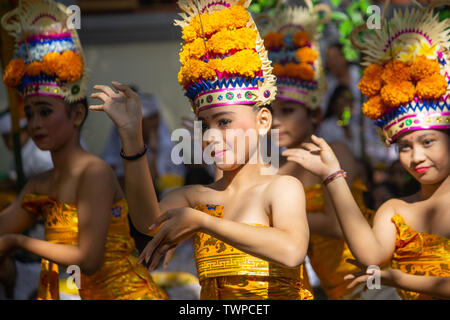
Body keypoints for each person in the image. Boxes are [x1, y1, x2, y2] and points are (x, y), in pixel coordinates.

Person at [90, 0, 312, 300]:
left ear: (262, 121)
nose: (211, 136)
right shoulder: (196, 197)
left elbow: (291, 250)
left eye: (224, 121)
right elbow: (147, 223)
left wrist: (204, 222)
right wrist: (132, 136)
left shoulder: (282, 187)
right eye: (205, 125)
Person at [0, 0, 166, 300]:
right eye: (31, 113)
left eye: (45, 112)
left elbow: (88, 260)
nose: (35, 123)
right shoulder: (40, 184)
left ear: (77, 115)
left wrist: (18, 243)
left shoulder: (94, 173)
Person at [283, 2, 450, 299]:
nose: (416, 157)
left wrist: (397, 278)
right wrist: (332, 175)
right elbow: (370, 257)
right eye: (404, 146)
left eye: (427, 142)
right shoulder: (395, 211)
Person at [261, 2, 399, 300]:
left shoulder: (333, 152)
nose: (278, 120)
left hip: (376, 286)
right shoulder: (271, 170)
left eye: (288, 111)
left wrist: (270, 218)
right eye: (272, 111)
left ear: (314, 116)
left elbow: (337, 226)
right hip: (335, 291)